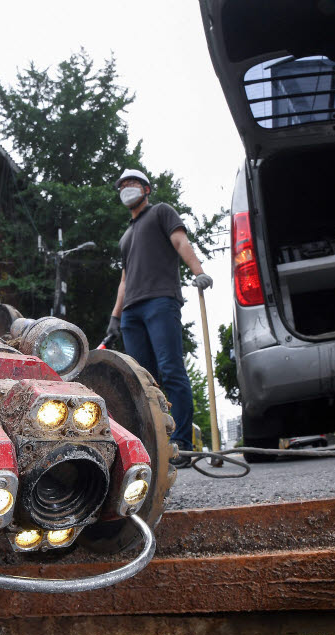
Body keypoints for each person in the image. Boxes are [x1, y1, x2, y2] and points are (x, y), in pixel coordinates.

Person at [105, 168, 213, 468]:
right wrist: (115, 317)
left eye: (132, 183)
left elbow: (180, 243)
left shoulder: (162, 212)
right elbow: (124, 279)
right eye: (122, 185)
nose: (127, 188)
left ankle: (181, 444)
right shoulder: (126, 236)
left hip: (160, 302)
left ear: (146, 189)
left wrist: (199, 272)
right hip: (131, 313)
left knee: (170, 369)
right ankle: (154, 445)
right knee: (142, 381)